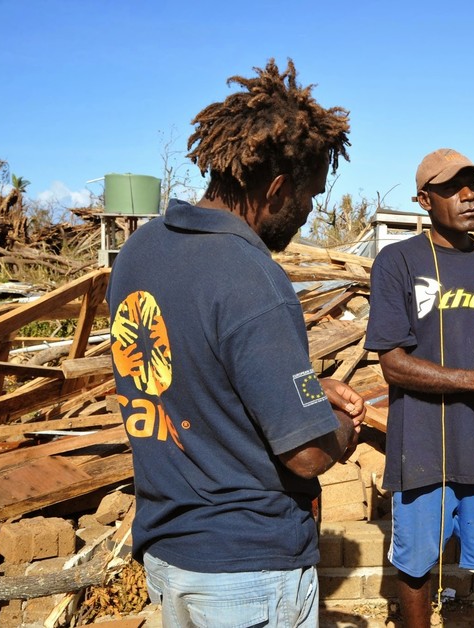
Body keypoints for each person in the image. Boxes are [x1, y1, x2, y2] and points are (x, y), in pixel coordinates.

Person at [107, 59, 363, 628]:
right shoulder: (252, 278)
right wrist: (342, 425)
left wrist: (304, 389)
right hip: (247, 571)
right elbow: (308, 455)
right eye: (309, 195)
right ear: (275, 189)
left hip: (171, 557)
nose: (311, 210)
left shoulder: (139, 254)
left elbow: (194, 377)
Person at [365, 148, 474, 628]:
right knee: (417, 567)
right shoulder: (397, 261)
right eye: (452, 188)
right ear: (424, 200)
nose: (468, 196)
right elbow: (394, 365)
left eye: (473, 185)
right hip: (421, 448)